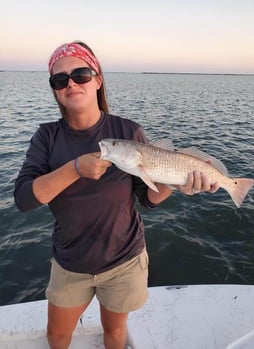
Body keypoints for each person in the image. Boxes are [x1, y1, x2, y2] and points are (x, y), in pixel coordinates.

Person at [14, 41, 219, 349]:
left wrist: (177, 184)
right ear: (56, 90)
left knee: (114, 331)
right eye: (60, 79)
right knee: (56, 335)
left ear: (97, 79)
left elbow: (148, 199)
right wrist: (74, 168)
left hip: (124, 260)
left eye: (81, 74)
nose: (71, 83)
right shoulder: (46, 137)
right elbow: (24, 199)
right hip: (70, 262)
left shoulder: (128, 131)